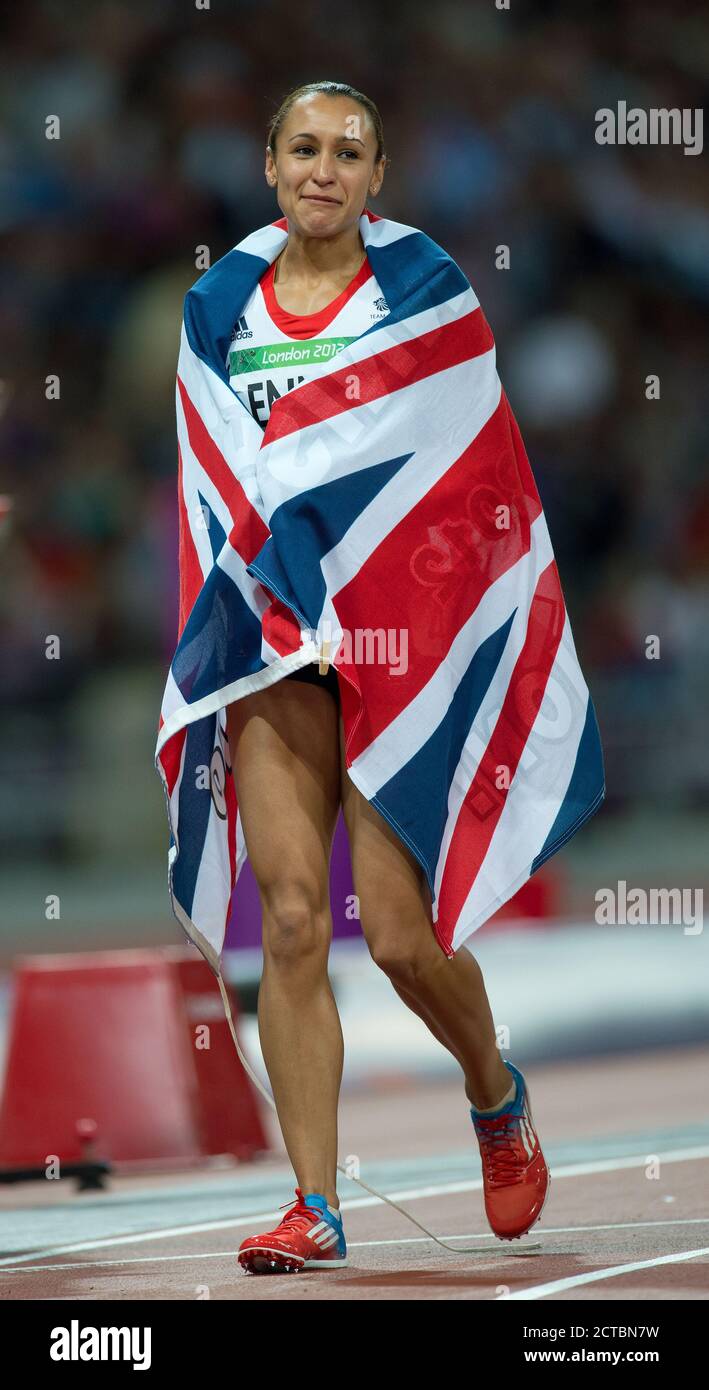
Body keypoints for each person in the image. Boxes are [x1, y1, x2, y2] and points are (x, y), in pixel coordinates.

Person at [222, 81, 550, 1276]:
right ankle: (313, 1202)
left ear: (377, 176)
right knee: (296, 920)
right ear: (268, 166)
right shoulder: (220, 306)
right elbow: (217, 480)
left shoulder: (425, 292)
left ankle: (492, 1087)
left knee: (403, 940)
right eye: (302, 149)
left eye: (346, 153)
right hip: (272, 645)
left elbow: (468, 470)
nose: (322, 169)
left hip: (396, 648)